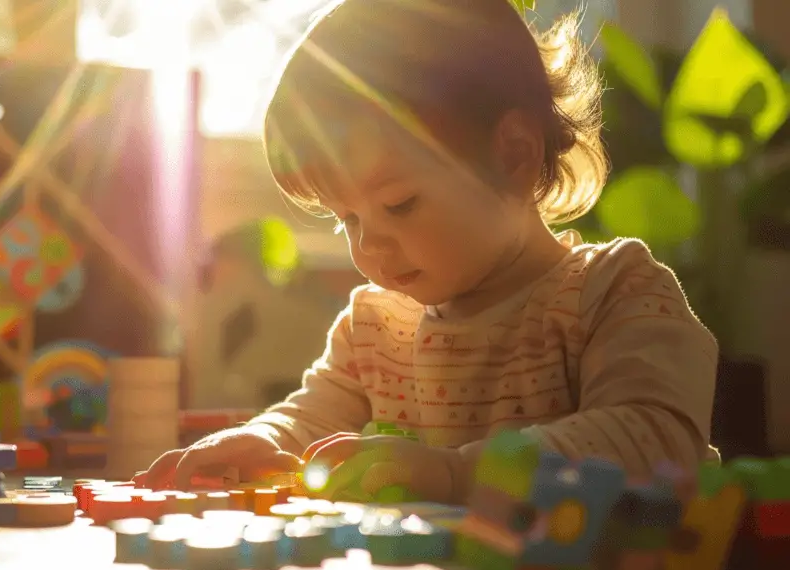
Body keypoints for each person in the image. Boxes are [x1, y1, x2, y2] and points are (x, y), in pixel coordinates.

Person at [135, 0, 719, 504]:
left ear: (514, 156)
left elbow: (657, 441)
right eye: (347, 219)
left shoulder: (612, 293)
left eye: (399, 204)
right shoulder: (375, 329)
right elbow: (311, 419)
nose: (369, 245)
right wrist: (265, 440)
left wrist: (456, 473)